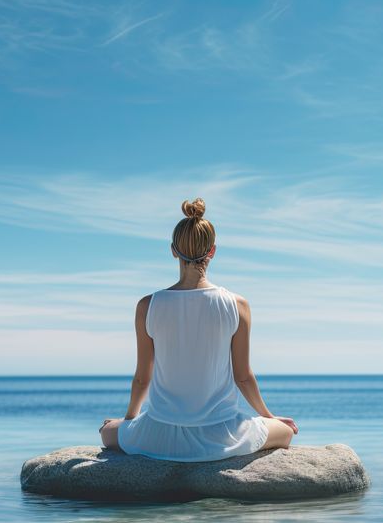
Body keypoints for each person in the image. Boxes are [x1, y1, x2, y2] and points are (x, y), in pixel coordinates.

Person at [98, 198, 298, 462]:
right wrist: (268, 417)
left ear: (172, 251)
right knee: (286, 432)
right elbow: (243, 377)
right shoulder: (237, 305)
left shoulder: (148, 305)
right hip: (222, 435)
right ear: (212, 251)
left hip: (161, 435)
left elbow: (142, 379)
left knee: (106, 431)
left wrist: (129, 422)